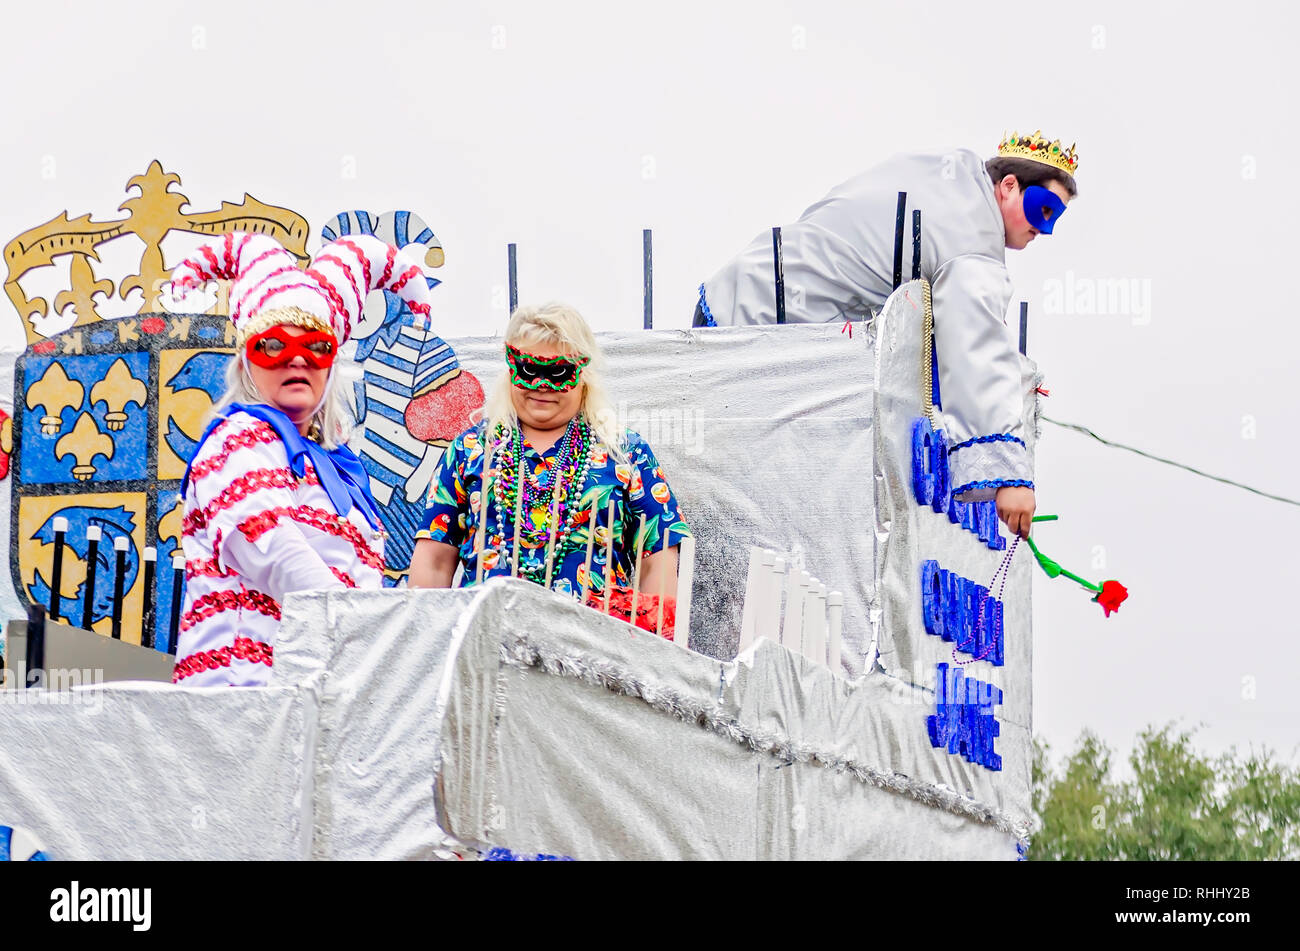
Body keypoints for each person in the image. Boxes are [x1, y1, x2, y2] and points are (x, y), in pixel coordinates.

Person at [694, 131, 1080, 540]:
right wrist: (1009, 474)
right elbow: (977, 348)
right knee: (754, 520)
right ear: (1008, 186)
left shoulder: (947, 173)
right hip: (765, 338)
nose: (1047, 229)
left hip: (739, 297)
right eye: (1044, 210)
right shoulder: (973, 235)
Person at [168, 231, 432, 685]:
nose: (297, 361)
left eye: (316, 346)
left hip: (317, 702)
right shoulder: (237, 438)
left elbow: (358, 580)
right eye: (273, 346)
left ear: (332, 363)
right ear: (246, 360)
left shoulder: (338, 463)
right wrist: (372, 641)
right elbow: (272, 549)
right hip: (244, 701)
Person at [409, 302, 691, 637]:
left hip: (590, 658)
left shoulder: (626, 453)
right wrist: (424, 645)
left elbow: (657, 556)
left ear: (582, 375)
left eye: (558, 373)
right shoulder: (470, 449)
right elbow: (435, 560)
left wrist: (649, 655)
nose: (541, 385)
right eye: (528, 369)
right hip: (485, 650)